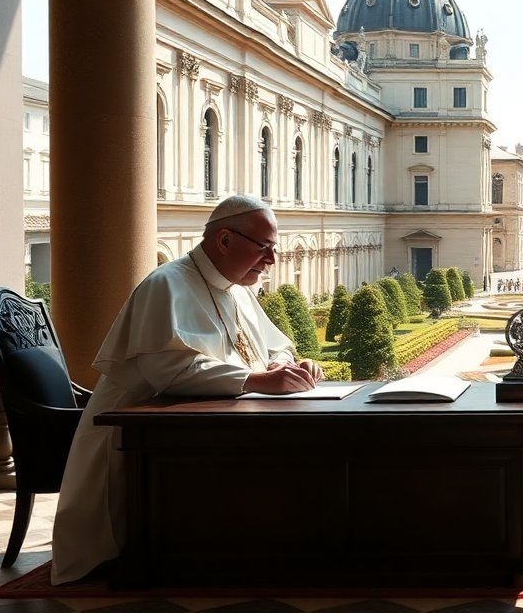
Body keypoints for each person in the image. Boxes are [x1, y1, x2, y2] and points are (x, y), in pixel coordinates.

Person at [50, 195, 324, 584]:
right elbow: (168, 369)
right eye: (264, 248)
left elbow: (272, 343)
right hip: (136, 436)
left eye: (273, 248)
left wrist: (282, 363)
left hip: (213, 423)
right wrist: (257, 380)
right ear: (224, 240)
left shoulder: (238, 288)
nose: (272, 261)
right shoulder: (166, 284)